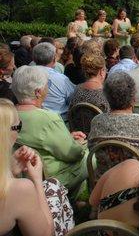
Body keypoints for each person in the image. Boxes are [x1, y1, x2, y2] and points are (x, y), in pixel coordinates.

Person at [0, 99, 74, 236]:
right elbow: (47, 233)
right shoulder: (20, 189)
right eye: (18, 127)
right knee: (54, 186)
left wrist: (9, 171)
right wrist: (36, 180)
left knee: (53, 184)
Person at [12, 66, 88, 196]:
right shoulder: (48, 118)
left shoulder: (7, 114)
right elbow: (73, 154)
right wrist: (80, 144)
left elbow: (34, 137)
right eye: (47, 85)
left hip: (19, 174)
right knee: (90, 155)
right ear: (38, 92)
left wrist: (67, 137)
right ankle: (76, 201)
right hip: (50, 179)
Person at [88, 72, 139, 170]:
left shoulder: (96, 121)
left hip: (105, 180)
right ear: (133, 98)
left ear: (107, 98)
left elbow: (91, 148)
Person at [32, 43, 75, 121]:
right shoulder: (62, 79)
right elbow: (72, 99)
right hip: (59, 121)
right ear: (54, 59)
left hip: (32, 119)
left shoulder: (24, 74)